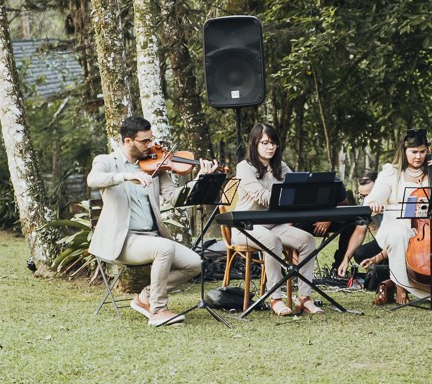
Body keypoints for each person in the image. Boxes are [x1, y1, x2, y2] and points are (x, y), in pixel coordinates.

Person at [87, 116, 217, 326]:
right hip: (124, 240)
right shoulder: (106, 161)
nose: (150, 145)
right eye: (144, 141)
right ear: (128, 141)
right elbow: (92, 179)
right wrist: (125, 176)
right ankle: (158, 310)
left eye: (151, 139)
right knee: (164, 248)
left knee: (194, 264)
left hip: (151, 237)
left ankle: (145, 297)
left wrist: (199, 179)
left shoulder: (155, 165)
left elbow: (174, 197)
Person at [362, 128, 432, 305]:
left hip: (429, 225)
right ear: (404, 151)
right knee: (400, 235)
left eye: (422, 152)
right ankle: (400, 285)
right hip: (396, 223)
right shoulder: (391, 173)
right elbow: (374, 198)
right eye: (414, 152)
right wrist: (375, 203)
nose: (418, 156)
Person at [232, 122, 323, 316]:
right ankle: (275, 298)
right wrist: (286, 195)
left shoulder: (281, 166)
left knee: (307, 240)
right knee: (272, 241)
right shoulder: (244, 167)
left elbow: (297, 190)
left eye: (273, 143)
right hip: (245, 227)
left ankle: (304, 297)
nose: (270, 147)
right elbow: (261, 197)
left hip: (274, 225)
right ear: (254, 144)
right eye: (265, 143)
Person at [334, 171, 384, 278]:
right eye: (362, 196)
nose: (366, 199)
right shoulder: (366, 203)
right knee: (360, 254)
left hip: (402, 240)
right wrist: (346, 260)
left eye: (369, 195)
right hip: (384, 241)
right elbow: (359, 233)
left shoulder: (393, 198)